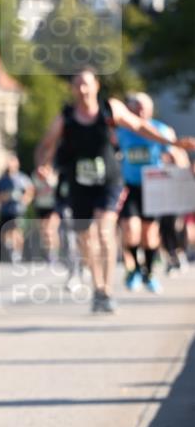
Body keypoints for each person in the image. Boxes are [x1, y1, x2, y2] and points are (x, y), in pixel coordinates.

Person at [35, 68, 195, 313]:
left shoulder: (110, 109)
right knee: (86, 238)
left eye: (86, 84)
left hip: (109, 180)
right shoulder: (66, 117)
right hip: (79, 182)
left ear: (96, 86)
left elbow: (140, 126)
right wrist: (43, 166)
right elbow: (46, 144)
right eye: (77, 84)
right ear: (72, 89)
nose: (82, 89)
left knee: (105, 229)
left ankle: (108, 289)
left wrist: (172, 143)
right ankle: (98, 288)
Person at [117, 92, 187, 294]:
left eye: (143, 106)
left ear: (150, 109)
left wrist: (184, 171)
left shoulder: (161, 129)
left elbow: (177, 153)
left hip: (154, 187)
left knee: (149, 234)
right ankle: (135, 270)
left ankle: (148, 272)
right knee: (130, 230)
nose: (139, 110)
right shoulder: (123, 129)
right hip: (130, 185)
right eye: (135, 106)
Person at [0, 152, 34, 263]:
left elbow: (30, 191)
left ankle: (17, 253)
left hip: (18, 209)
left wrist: (25, 200)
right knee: (6, 231)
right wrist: (4, 197)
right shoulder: (3, 179)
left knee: (17, 230)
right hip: (5, 209)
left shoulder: (22, 178)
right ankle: (10, 249)